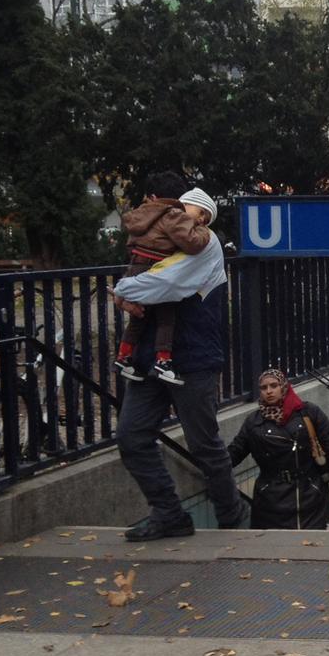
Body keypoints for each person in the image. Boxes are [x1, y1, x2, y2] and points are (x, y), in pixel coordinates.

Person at [113, 170, 243, 541]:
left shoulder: (207, 244)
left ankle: (231, 519)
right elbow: (149, 281)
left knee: (204, 444)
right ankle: (169, 513)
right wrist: (130, 291)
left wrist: (123, 288)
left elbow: (165, 285)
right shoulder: (159, 242)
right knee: (132, 437)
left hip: (192, 359)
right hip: (147, 360)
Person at [115, 186, 218, 385]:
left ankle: (123, 357)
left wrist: (124, 290)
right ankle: (163, 360)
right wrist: (124, 290)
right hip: (185, 355)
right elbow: (169, 277)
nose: (202, 221)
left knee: (139, 319)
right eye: (202, 213)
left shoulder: (149, 216)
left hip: (138, 265)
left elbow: (133, 247)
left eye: (207, 220)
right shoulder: (177, 219)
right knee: (166, 318)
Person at [229, 369, 329, 530]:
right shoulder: (254, 422)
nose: (269, 391)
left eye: (274, 385)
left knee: (312, 545)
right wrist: (212, 463)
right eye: (264, 388)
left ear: (284, 387)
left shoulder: (308, 413)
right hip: (270, 499)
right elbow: (236, 452)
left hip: (311, 495)